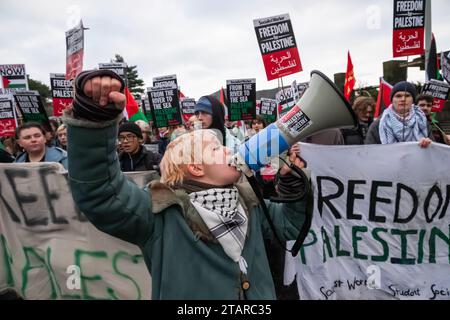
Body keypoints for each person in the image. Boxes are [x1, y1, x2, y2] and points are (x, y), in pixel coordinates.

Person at [63, 70, 309, 300]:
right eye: (216, 149)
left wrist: (290, 179)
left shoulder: (249, 203)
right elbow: (101, 192)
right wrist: (93, 116)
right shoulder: (159, 214)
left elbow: (290, 225)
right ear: (196, 168)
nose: (227, 151)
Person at [365, 81, 433, 148]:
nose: (403, 99)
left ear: (413, 100)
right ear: (392, 100)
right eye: (398, 96)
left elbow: (433, 151)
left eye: (407, 96)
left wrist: (428, 145)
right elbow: (370, 151)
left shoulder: (422, 121)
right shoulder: (379, 124)